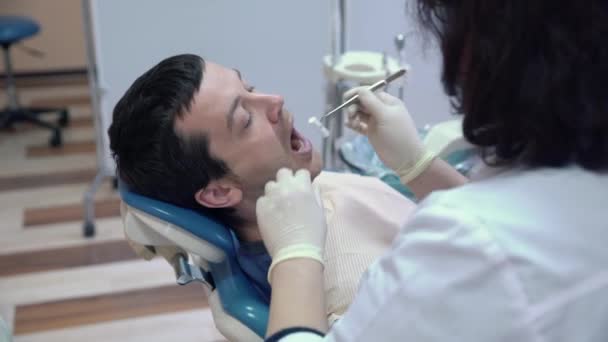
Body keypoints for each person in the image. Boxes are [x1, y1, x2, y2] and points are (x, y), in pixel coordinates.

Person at [255, 0, 608, 341]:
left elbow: (494, 241)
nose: (276, 100)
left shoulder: (467, 241)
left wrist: (294, 257)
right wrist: (418, 165)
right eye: (242, 117)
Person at [108, 54, 466, 323]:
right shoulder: (349, 284)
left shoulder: (298, 187)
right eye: (246, 120)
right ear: (218, 192)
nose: (275, 100)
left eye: (248, 88)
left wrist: (416, 165)